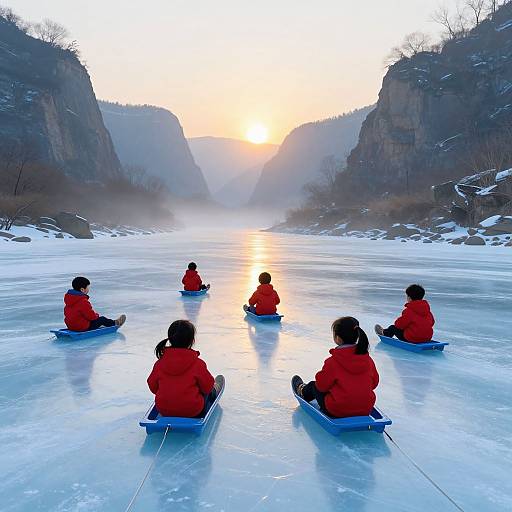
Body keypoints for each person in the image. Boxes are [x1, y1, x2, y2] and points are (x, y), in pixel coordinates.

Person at [292, 317, 379, 418]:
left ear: (338, 338)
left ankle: (302, 391)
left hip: (338, 410)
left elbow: (321, 386)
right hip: (365, 408)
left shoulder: (333, 362)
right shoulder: (368, 360)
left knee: (313, 386)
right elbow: (374, 383)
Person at [147, 320, 220, 417]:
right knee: (209, 390)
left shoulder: (159, 364)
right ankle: (216, 389)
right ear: (192, 340)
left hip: (164, 410)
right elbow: (207, 388)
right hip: (192, 410)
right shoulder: (198, 364)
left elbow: (153, 387)